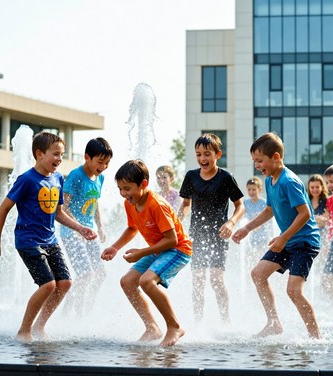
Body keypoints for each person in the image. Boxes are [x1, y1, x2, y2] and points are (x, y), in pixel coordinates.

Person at [0, 131, 97, 342]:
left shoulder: (57, 179)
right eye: (55, 154)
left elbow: (58, 213)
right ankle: (24, 330)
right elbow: (3, 209)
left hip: (50, 240)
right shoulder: (27, 179)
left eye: (61, 155)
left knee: (64, 283)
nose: (59, 159)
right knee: (48, 285)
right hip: (28, 241)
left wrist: (79, 228)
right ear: (39, 154)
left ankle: (39, 326)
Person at [232, 132, 321, 339]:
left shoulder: (288, 181)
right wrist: (247, 228)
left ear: (276, 158)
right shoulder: (271, 180)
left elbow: (305, 213)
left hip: (305, 242)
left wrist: (284, 237)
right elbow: (269, 211)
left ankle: (316, 337)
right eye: (254, 161)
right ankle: (274, 323)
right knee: (258, 274)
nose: (257, 165)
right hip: (289, 241)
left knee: (294, 291)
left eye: (260, 160)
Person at [101, 159, 192, 347]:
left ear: (143, 184)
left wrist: (142, 252)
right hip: (160, 249)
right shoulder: (130, 203)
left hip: (178, 250)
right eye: (120, 189)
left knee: (146, 281)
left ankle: (174, 326)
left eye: (127, 188)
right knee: (127, 281)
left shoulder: (156, 204)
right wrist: (115, 247)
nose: (124, 194)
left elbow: (172, 239)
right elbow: (132, 228)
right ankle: (152, 327)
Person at [178, 133, 244, 323]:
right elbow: (185, 204)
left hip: (218, 235)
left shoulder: (225, 178)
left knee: (216, 280)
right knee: (198, 280)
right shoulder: (191, 176)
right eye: (198, 154)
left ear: (218, 154)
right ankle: (198, 322)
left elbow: (240, 205)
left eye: (207, 154)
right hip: (197, 235)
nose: (202, 159)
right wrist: (177, 222)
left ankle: (226, 321)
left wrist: (231, 222)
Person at [60, 137, 113, 315]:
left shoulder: (100, 177)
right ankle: (78, 315)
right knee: (85, 275)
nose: (103, 166)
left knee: (100, 274)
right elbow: (63, 206)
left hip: (90, 232)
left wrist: (100, 227)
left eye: (106, 163)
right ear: (87, 157)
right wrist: (78, 228)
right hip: (72, 232)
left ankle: (85, 309)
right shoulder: (76, 176)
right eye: (100, 162)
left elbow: (94, 202)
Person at [243, 177, 271, 263]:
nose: (251, 192)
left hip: (263, 238)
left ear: (259, 189)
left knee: (259, 259)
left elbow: (267, 218)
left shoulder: (264, 203)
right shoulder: (245, 203)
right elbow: (243, 219)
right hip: (250, 238)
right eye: (249, 189)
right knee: (249, 261)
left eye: (254, 189)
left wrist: (256, 225)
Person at [322, 166, 333, 302]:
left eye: (332, 181)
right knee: (326, 277)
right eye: (328, 182)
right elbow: (328, 220)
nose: (329, 185)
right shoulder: (330, 200)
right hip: (332, 241)